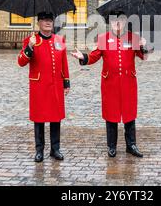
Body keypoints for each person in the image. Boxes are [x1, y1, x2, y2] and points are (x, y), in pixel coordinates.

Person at [71, 11, 150, 158]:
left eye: (121, 19)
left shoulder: (133, 38)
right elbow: (94, 56)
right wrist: (83, 57)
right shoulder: (103, 39)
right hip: (110, 83)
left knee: (129, 113)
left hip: (128, 82)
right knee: (111, 114)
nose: (117, 23)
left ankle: (131, 145)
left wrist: (144, 46)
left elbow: (144, 57)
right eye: (114, 20)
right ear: (110, 22)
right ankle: (111, 146)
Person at [17, 12, 70, 162]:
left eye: (50, 20)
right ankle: (39, 150)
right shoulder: (31, 40)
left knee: (56, 118)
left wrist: (66, 82)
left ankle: (55, 149)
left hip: (55, 85)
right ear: (38, 22)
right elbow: (21, 62)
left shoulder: (59, 40)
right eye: (44, 20)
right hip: (39, 86)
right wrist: (30, 47)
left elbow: (63, 63)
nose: (48, 22)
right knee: (39, 119)